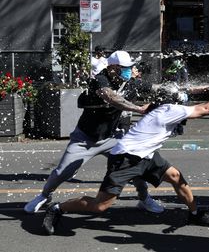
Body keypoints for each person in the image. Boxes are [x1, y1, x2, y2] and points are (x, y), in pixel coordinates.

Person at [41, 88, 209, 235]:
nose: (186, 114)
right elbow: (207, 108)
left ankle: (195, 213)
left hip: (147, 155)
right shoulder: (171, 110)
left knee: (175, 176)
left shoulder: (160, 109)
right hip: (126, 157)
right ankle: (58, 208)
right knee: (100, 206)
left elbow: (151, 107)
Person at [24, 51, 163, 214]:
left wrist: (184, 91)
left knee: (135, 164)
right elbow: (111, 97)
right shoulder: (99, 80)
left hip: (113, 138)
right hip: (85, 139)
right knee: (62, 172)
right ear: (112, 68)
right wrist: (139, 109)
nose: (127, 71)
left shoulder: (130, 83)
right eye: (123, 68)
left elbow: (156, 88)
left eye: (128, 67)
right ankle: (44, 196)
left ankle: (144, 198)